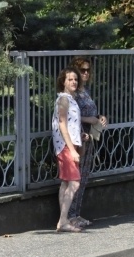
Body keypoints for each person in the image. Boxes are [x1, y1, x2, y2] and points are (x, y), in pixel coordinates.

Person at [68, 56, 108, 229]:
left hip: (88, 137)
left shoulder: (86, 91)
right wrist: (89, 119)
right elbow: (70, 115)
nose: (85, 73)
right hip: (77, 138)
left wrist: (99, 117)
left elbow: (91, 113)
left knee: (83, 177)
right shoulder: (73, 94)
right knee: (74, 177)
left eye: (88, 70)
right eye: (82, 70)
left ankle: (77, 213)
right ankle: (69, 215)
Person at [51, 67, 85, 233]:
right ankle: (63, 221)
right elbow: (62, 124)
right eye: (70, 79)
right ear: (63, 82)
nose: (74, 82)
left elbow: (71, 124)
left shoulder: (71, 99)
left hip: (69, 144)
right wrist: (72, 150)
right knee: (75, 182)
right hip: (65, 146)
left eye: (75, 79)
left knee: (66, 182)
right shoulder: (64, 99)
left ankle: (63, 219)